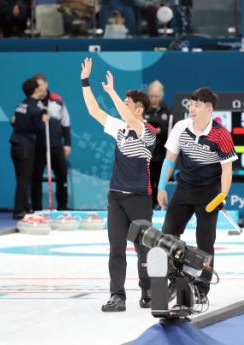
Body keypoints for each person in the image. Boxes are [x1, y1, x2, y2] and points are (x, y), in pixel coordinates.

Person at [81, 57, 155, 312]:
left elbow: (131, 121)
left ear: (138, 110)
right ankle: (118, 296)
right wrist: (85, 82)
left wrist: (112, 91)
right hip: (116, 196)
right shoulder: (120, 128)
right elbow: (94, 111)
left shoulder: (147, 131)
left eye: (127, 104)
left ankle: (148, 291)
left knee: (143, 248)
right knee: (116, 248)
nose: (122, 108)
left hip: (139, 198)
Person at [158, 87, 237, 304]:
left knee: (205, 244)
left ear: (209, 109)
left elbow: (227, 170)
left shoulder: (221, 134)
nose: (191, 108)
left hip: (209, 194)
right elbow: (170, 159)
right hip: (183, 189)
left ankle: (202, 289)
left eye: (197, 105)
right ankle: (174, 280)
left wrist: (222, 197)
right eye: (191, 104)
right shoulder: (180, 128)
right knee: (167, 237)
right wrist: (161, 187)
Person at [30, 74, 71, 211]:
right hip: (37, 147)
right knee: (35, 177)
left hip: (56, 145)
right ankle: (36, 209)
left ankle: (63, 207)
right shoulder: (32, 102)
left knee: (62, 175)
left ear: (46, 84)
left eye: (40, 85)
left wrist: (67, 143)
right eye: (36, 86)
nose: (39, 88)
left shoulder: (57, 99)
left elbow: (65, 121)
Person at [10, 78, 49, 219]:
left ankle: (24, 206)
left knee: (21, 179)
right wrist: (44, 121)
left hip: (16, 145)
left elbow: (15, 122)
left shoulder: (21, 105)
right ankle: (19, 210)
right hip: (26, 146)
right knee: (24, 181)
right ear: (36, 89)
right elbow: (39, 129)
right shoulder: (34, 108)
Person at [144, 80, 173, 209]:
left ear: (161, 96)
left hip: (163, 155)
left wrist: (160, 130)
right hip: (147, 156)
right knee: (147, 184)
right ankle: (148, 208)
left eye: (156, 96)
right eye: (151, 96)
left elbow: (174, 130)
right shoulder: (142, 110)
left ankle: (161, 207)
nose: (153, 99)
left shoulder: (169, 110)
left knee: (161, 183)